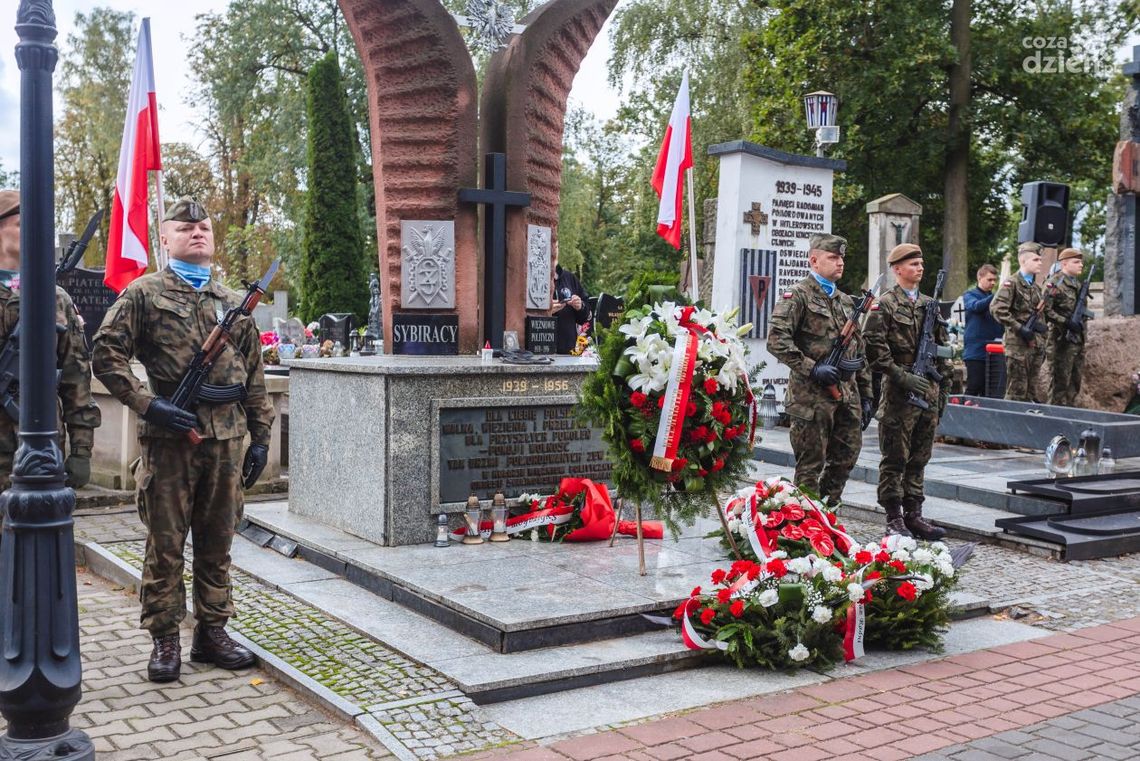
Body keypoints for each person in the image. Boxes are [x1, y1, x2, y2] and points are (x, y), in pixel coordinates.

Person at [92, 198, 275, 683]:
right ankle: (165, 640)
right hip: (170, 444)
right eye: (185, 227)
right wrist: (149, 404)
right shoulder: (144, 294)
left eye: (204, 227)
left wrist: (260, 437)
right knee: (166, 546)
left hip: (227, 442)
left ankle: (212, 633)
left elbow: (253, 376)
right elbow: (105, 354)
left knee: (218, 543)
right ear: (166, 238)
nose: (198, 233)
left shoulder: (231, 301)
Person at [0, 189, 100, 491]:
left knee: (38, 536)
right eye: (22, 224)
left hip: (40, 451)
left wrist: (81, 451)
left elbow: (76, 379)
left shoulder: (56, 299)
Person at [766, 233, 873, 506]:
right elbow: (777, 341)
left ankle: (827, 511)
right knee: (810, 465)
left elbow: (858, 351)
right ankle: (803, 523)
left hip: (847, 397)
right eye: (833, 258)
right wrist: (813, 369)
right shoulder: (798, 296)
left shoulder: (847, 302)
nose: (840, 263)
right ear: (814, 261)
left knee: (847, 456)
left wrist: (867, 393)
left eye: (842, 258)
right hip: (810, 398)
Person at [863, 243, 952, 539]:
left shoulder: (930, 304)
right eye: (913, 264)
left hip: (927, 391)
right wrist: (903, 378)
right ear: (897, 269)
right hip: (899, 395)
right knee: (895, 458)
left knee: (919, 457)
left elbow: (941, 351)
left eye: (921, 263)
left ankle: (915, 514)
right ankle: (893, 518)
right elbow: (875, 351)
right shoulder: (885, 304)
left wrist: (943, 391)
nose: (920, 268)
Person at [990, 241, 1047, 402]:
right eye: (1036, 260)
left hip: (1034, 346)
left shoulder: (1035, 287)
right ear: (1023, 261)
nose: (1040, 263)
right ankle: (1008, 426)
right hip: (1017, 347)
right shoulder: (1012, 283)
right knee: (1016, 392)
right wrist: (1020, 328)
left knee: (1031, 393)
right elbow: (997, 308)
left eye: (1040, 260)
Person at [1043, 247, 1089, 406]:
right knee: (1059, 385)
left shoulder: (1077, 284)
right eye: (1076, 262)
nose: (1080, 265)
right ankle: (1053, 421)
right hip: (1060, 341)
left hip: (1077, 341)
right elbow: (1044, 311)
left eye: (1081, 262)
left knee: (1074, 383)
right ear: (1064, 264)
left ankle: (1069, 417)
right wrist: (1066, 322)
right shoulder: (1054, 283)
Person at [962, 263, 1003, 396]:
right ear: (980, 278)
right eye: (989, 279)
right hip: (976, 351)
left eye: (994, 280)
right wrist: (995, 296)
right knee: (974, 387)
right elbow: (976, 307)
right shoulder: (969, 295)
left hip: (994, 350)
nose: (993, 283)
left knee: (990, 391)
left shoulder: (995, 298)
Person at [551, 243, 590, 353]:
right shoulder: (533, 277)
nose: (553, 249)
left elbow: (585, 316)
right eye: (550, 245)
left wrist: (580, 306)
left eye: (556, 245)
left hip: (567, 351)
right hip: (540, 350)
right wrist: (546, 312)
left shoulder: (570, 278)